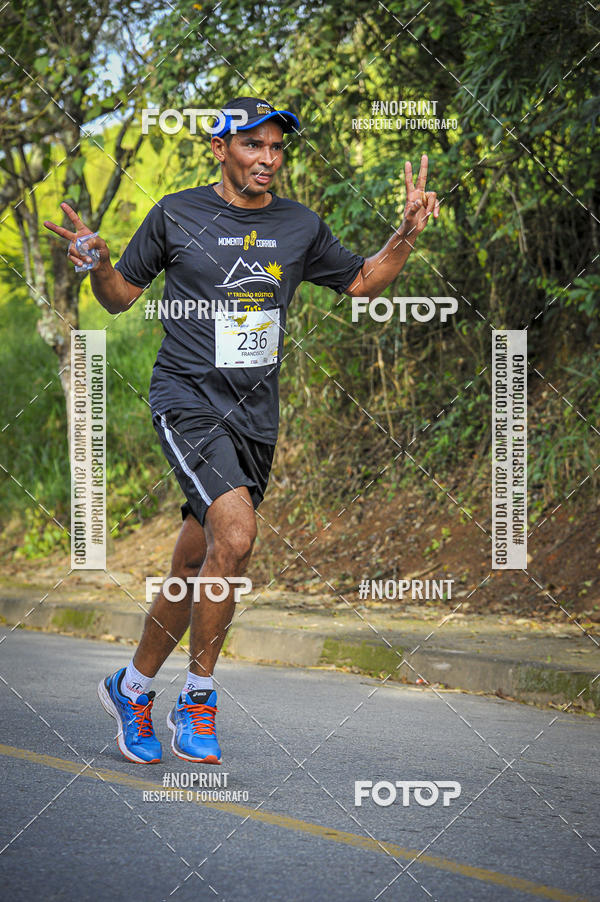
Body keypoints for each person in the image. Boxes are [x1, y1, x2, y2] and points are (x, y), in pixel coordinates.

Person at [44, 96, 439, 765]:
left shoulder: (298, 224)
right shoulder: (176, 213)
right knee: (237, 534)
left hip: (254, 414)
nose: (268, 159)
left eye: (277, 148)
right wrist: (97, 263)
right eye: (254, 146)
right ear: (219, 148)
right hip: (188, 399)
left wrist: (403, 233)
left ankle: (131, 686)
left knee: (194, 561)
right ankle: (197, 702)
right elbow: (120, 298)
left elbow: (365, 282)